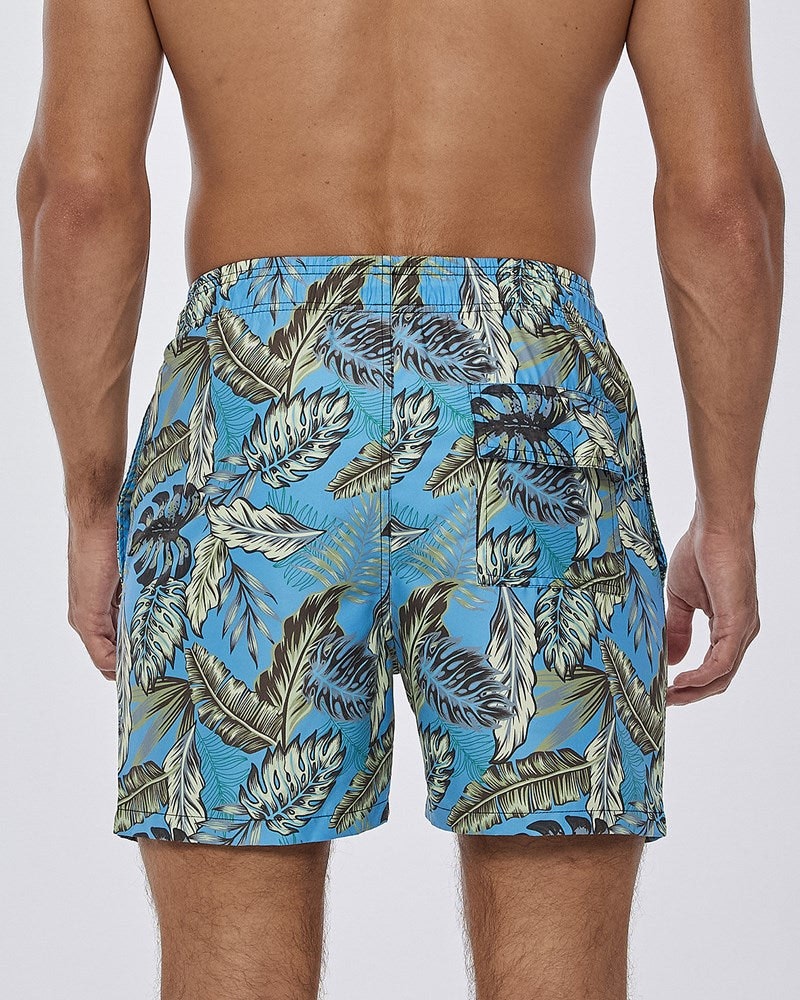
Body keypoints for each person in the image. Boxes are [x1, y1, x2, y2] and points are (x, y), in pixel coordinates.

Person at [17, 0, 782, 997]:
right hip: (525, 405)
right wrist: (727, 513)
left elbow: (78, 196)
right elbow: (723, 202)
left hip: (256, 401)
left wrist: (91, 504)